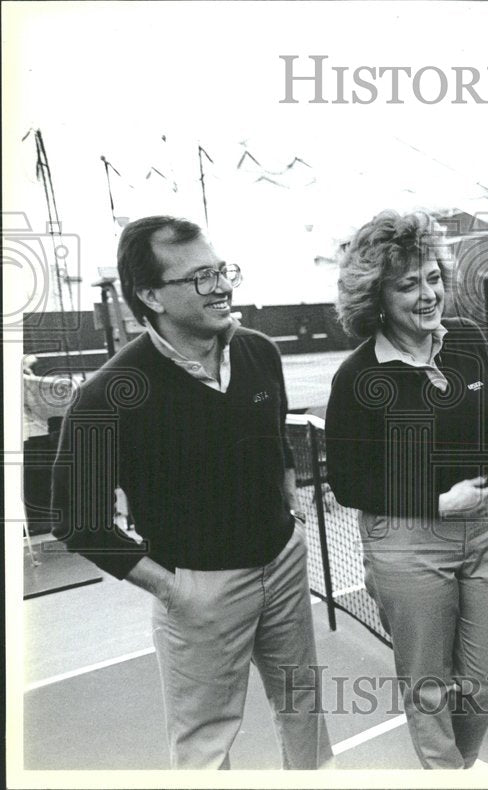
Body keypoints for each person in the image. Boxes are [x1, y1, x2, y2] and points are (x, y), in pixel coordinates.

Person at [50, 216, 332, 770]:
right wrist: (174, 591)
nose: (222, 286)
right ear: (151, 295)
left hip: (282, 564)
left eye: (221, 271)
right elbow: (76, 519)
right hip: (198, 591)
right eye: (200, 277)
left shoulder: (258, 352)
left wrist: (290, 512)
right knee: (205, 746)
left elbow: (275, 441)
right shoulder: (109, 395)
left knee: (303, 709)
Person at [325, 210, 488, 769]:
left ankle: (454, 765)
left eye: (433, 277)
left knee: (487, 670)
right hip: (406, 540)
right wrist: (434, 502)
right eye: (408, 284)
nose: (428, 294)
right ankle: (448, 773)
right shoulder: (357, 377)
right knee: (428, 681)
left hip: (483, 532)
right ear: (377, 297)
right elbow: (347, 481)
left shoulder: (466, 340)